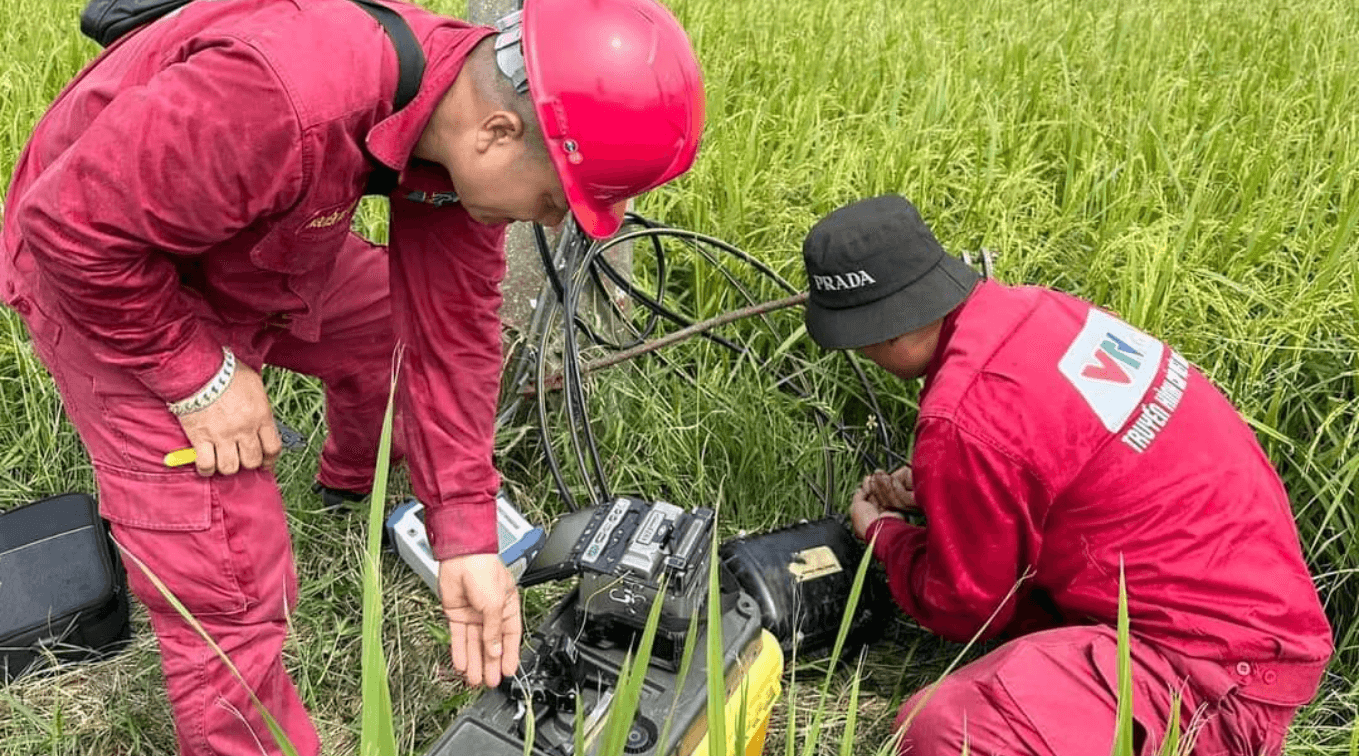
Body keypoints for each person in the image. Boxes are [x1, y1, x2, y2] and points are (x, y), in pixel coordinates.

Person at [0, 0, 703, 753]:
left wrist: (465, 531)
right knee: (229, 572)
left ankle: (348, 488)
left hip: (257, 231)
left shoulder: (450, 114)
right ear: (498, 133)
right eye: (557, 201)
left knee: (384, 340)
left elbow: (453, 335)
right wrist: (200, 376)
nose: (556, 224)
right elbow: (70, 230)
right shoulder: (277, 98)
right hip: (108, 272)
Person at [801, 195, 1332, 755]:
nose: (860, 351)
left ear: (886, 329)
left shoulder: (965, 415)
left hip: (1218, 678)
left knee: (940, 731)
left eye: (856, 339)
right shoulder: (1035, 311)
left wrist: (883, 533)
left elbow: (966, 607)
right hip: (1263, 608)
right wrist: (941, 489)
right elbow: (1060, 458)